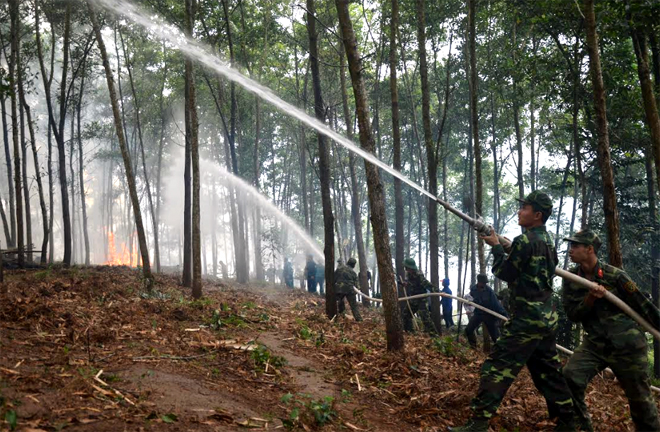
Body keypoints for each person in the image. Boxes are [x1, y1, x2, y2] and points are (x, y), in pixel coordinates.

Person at [450, 191, 576, 432]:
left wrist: (496, 246)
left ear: (537, 215)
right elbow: (533, 268)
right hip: (546, 319)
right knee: (548, 373)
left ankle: (477, 424)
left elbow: (505, 273)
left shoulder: (525, 241)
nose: (520, 211)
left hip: (526, 321)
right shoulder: (547, 240)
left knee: (496, 368)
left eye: (525, 208)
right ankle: (569, 422)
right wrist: (505, 244)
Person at [561, 230, 660, 432]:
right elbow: (572, 314)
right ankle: (580, 425)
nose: (570, 250)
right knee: (570, 376)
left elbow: (644, 306)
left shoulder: (615, 276)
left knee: (640, 399)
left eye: (575, 246)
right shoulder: (570, 278)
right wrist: (589, 299)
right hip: (595, 344)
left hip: (627, 345)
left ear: (589, 249)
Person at [465, 274, 507, 348]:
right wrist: (470, 303)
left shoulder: (489, 290)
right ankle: (473, 347)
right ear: (479, 282)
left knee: (495, 336)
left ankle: (500, 351)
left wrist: (504, 315)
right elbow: (472, 298)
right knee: (468, 330)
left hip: (489, 315)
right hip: (478, 313)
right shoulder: (473, 289)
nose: (484, 284)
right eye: (483, 283)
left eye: (485, 283)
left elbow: (496, 304)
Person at [400, 258, 439, 335]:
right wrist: (405, 284)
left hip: (421, 299)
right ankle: (409, 332)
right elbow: (410, 283)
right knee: (406, 314)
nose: (405, 269)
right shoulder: (408, 274)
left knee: (425, 318)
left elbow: (426, 284)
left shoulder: (418, 275)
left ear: (410, 267)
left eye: (406, 267)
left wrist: (436, 290)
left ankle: (434, 336)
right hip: (413, 298)